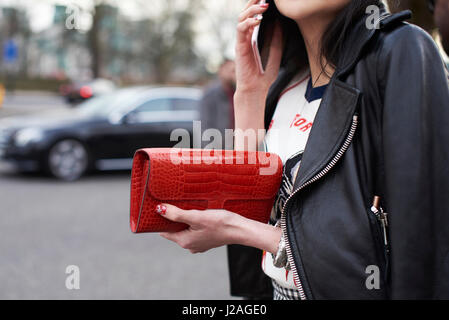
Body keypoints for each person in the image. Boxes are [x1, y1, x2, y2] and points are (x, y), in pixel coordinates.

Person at [158, 0, 449, 299]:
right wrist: (249, 97)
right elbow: (249, 209)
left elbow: (422, 250)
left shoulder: (400, 50)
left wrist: (247, 232)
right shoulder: (284, 83)